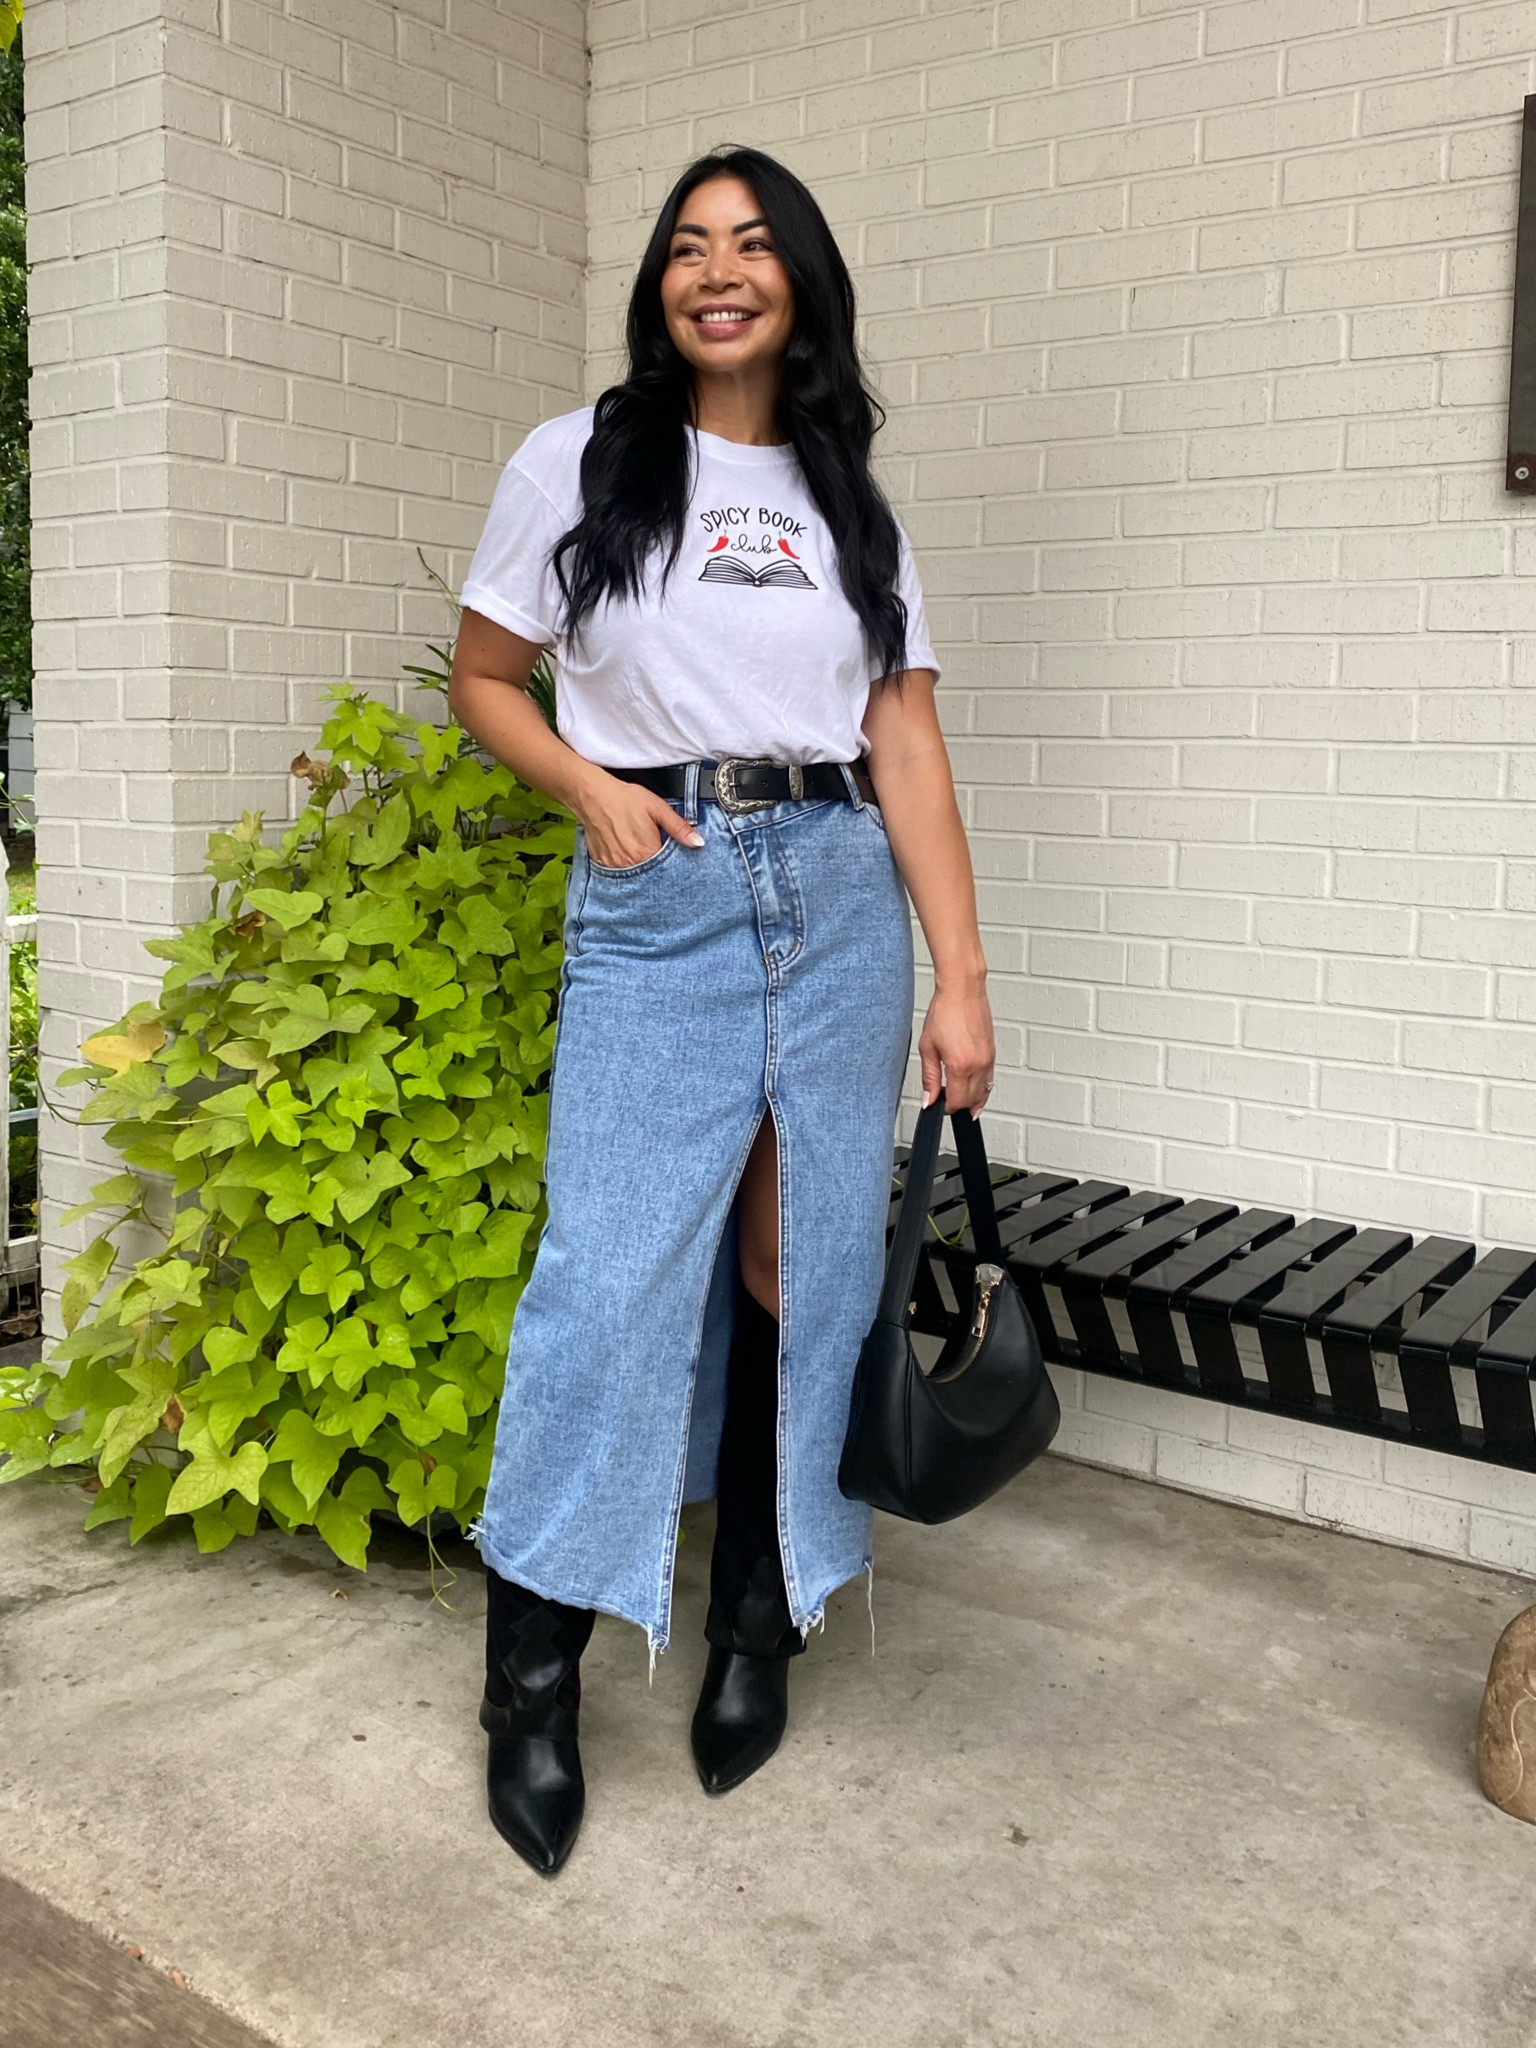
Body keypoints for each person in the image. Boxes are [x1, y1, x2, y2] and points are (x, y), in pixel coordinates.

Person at [448, 146, 995, 1877]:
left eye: (752, 246)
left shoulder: (857, 506)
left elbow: (903, 742)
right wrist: (585, 788)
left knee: (803, 1266)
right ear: (661, 286)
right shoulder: (579, 459)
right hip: (661, 886)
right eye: (689, 247)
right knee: (603, 1280)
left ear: (800, 282)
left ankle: (759, 1624)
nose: (717, 272)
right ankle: (529, 1679)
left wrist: (960, 976)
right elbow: (484, 677)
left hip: (837, 897)